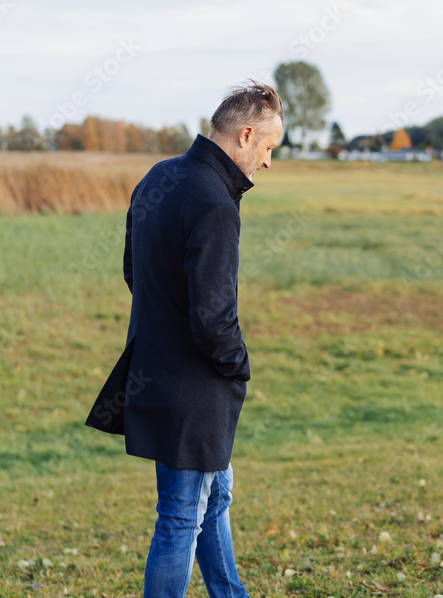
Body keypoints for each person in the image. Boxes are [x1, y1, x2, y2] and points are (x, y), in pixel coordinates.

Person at [85, 82, 284, 597]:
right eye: (268, 149)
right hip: (194, 390)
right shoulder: (216, 203)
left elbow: (135, 272)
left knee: (213, 499)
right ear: (245, 136)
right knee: (178, 519)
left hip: (156, 371)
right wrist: (239, 365)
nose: (267, 163)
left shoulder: (158, 176)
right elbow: (213, 319)